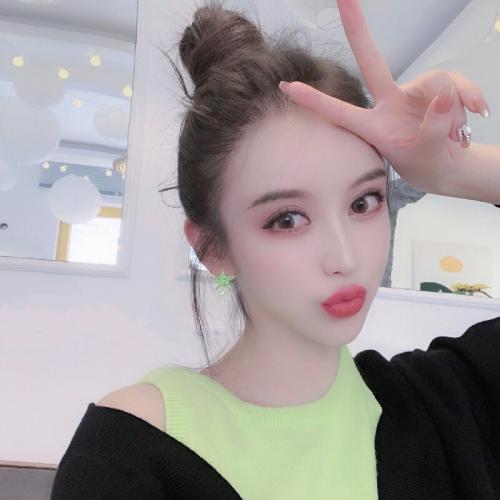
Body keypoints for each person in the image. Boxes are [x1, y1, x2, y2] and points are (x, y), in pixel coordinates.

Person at [50, 1, 500, 498]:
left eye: (364, 202)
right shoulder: (127, 456)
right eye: (287, 219)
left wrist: (458, 171)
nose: (345, 258)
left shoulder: (446, 405)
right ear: (214, 249)